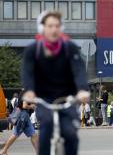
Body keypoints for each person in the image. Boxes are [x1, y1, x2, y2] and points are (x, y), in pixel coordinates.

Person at [21, 10, 90, 155]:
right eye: (50, 26)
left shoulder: (69, 48)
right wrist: (29, 90)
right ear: (42, 28)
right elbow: (27, 73)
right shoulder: (33, 50)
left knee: (71, 134)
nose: (54, 29)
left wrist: (82, 89)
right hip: (44, 98)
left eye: (57, 26)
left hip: (68, 98)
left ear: (61, 28)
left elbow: (79, 71)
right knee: (46, 130)